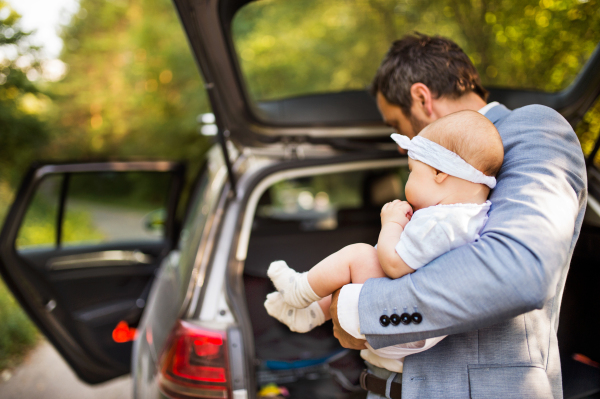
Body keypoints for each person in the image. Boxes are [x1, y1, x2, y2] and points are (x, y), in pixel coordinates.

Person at [328, 33, 586, 399]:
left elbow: (518, 271)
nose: (405, 139)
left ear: (421, 98)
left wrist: (364, 309)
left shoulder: (531, 131)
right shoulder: (435, 175)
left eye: (400, 125)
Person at [264, 110, 503, 374]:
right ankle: (309, 313)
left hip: (402, 325)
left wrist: (391, 223)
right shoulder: (470, 215)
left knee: (360, 255)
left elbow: (393, 264)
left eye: (412, 171)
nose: (407, 182)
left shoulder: (441, 223)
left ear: (439, 172)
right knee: (365, 259)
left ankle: (300, 290)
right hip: (411, 326)